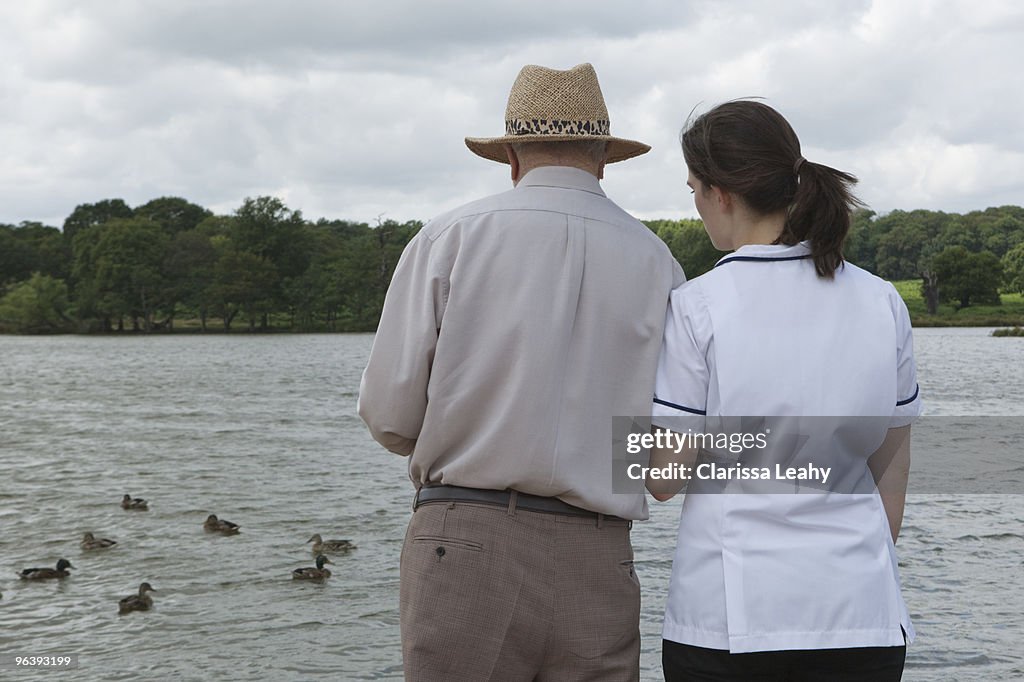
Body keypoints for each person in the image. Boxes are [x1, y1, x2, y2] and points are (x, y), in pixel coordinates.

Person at [358, 63, 685, 681]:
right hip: (599, 552)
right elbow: (662, 452)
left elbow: (388, 412)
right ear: (604, 158)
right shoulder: (658, 263)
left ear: (510, 155)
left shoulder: (450, 238)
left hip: (466, 538)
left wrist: (466, 438)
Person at [647, 100, 922, 681]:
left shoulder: (698, 305)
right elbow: (891, 461)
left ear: (720, 193)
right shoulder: (882, 301)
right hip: (862, 616)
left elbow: (665, 478)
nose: (696, 207)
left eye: (694, 189)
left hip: (730, 623)